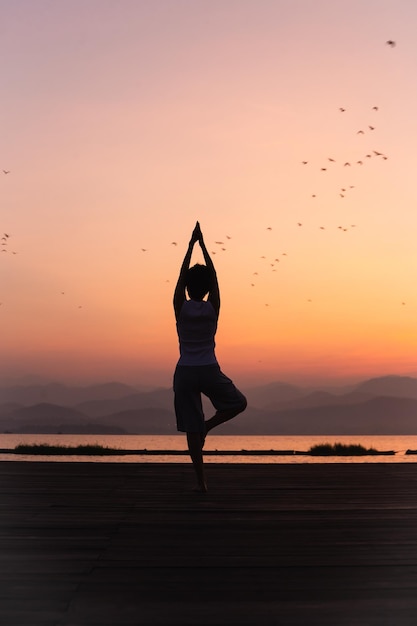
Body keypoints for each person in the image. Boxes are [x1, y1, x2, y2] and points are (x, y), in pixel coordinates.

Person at [173, 221, 247, 492]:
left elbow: (181, 278)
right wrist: (203, 246)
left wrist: (190, 246)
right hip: (208, 369)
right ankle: (208, 426)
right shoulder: (213, 308)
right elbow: (214, 278)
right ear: (206, 289)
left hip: (185, 372)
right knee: (238, 403)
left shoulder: (179, 307)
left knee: (192, 430)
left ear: (189, 288)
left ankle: (201, 482)